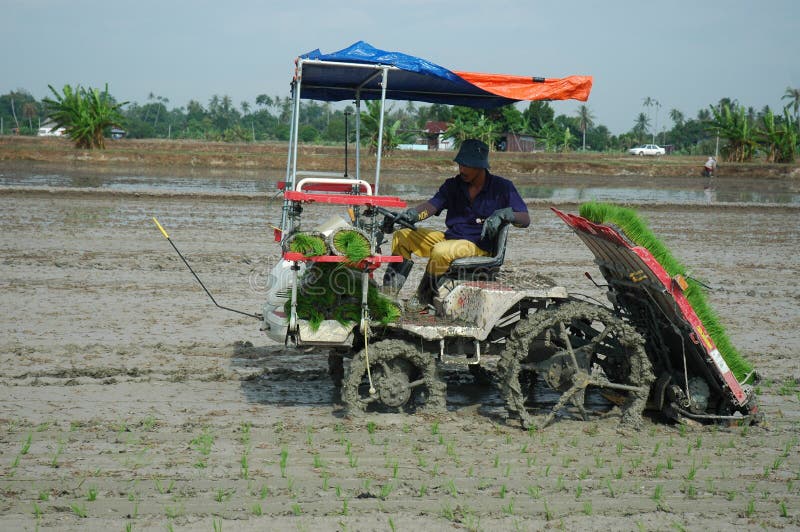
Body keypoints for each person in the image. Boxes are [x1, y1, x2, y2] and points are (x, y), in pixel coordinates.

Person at [382, 138, 530, 307]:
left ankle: (424, 296)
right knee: (402, 236)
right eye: (460, 164)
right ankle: (388, 294)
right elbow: (432, 205)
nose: (461, 169)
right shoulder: (452, 185)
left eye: (466, 165)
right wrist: (413, 215)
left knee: (441, 251)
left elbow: (525, 219)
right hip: (450, 238)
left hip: (478, 246)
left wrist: (505, 214)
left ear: (480, 166)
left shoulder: (502, 187)